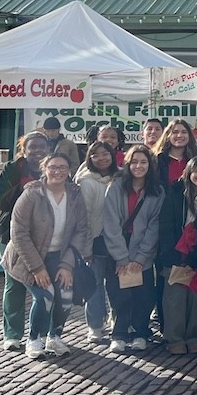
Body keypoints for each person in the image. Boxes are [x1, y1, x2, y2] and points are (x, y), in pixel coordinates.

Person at [0, 152, 90, 360]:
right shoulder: (32, 194)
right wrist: (37, 268)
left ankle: (55, 337)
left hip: (59, 257)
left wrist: (67, 265)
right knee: (46, 296)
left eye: (62, 167)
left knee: (66, 297)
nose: (57, 171)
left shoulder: (75, 195)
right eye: (53, 167)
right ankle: (33, 339)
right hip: (27, 257)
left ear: (69, 171)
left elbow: (81, 231)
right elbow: (19, 233)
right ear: (44, 169)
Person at [102, 144, 165, 353]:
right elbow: (110, 224)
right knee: (119, 295)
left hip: (142, 253)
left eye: (143, 162)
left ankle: (140, 331)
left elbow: (154, 227)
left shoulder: (157, 191)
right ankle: (119, 333)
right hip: (118, 249)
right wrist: (121, 258)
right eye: (134, 162)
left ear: (150, 165)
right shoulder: (116, 186)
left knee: (143, 294)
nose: (139, 166)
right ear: (127, 164)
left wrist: (141, 257)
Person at [0, 132, 52, 351]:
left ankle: (43, 332)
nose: (37, 151)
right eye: (33, 147)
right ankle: (12, 333)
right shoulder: (13, 169)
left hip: (46, 237)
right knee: (14, 284)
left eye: (42, 147)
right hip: (12, 235)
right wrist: (23, 189)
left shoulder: (54, 167)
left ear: (48, 148)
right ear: (23, 150)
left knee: (46, 286)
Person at [157, 155, 197, 354]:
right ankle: (174, 338)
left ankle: (194, 336)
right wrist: (173, 255)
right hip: (175, 253)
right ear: (188, 172)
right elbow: (165, 226)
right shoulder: (174, 192)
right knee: (175, 297)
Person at [74, 141, 118, 343]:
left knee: (118, 284)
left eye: (105, 153)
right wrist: (86, 247)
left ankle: (118, 321)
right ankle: (95, 325)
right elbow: (85, 217)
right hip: (96, 240)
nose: (101, 158)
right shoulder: (86, 182)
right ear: (89, 158)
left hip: (118, 240)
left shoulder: (121, 177)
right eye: (96, 154)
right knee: (95, 284)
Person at [154, 119, 197, 190]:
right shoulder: (157, 159)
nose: (179, 135)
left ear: (189, 135)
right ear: (168, 136)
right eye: (175, 132)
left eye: (184, 132)